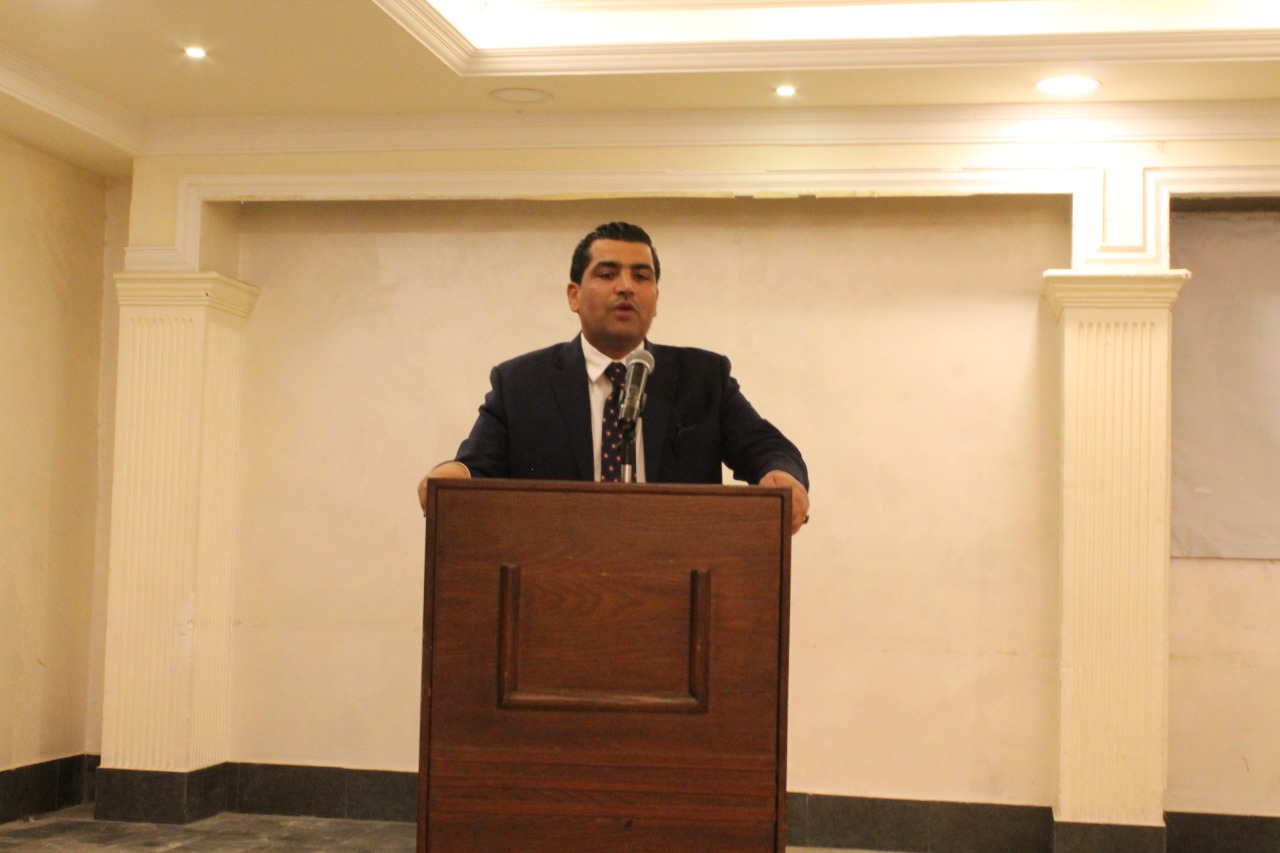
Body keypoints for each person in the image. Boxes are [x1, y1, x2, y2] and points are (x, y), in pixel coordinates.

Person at [417, 221, 810, 534]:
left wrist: (782, 475)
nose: (626, 287)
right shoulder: (521, 384)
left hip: (677, 573)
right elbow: (475, 468)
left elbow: (765, 448)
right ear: (574, 295)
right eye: (607, 274)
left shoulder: (703, 378)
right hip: (557, 577)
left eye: (641, 276)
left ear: (656, 297)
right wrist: (450, 476)